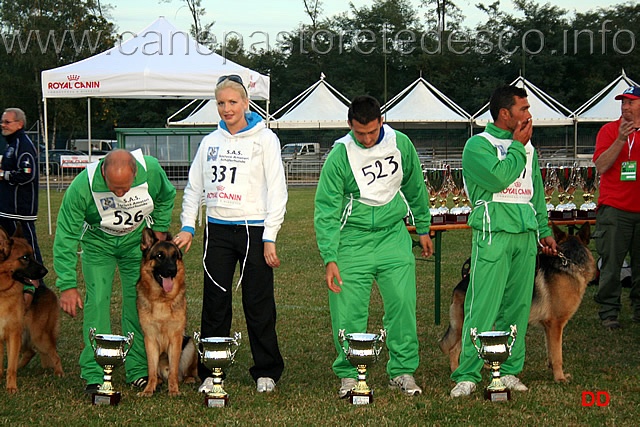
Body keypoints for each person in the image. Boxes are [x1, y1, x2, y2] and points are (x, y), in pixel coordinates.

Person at [173, 74, 287, 393]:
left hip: (254, 230)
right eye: (221, 103)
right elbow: (194, 187)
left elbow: (278, 191)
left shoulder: (265, 140)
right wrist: (187, 226)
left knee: (258, 303)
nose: (226, 109)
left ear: (246, 103)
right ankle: (212, 372)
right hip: (217, 231)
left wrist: (270, 236)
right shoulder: (210, 142)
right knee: (215, 304)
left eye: (232, 102)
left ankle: (266, 370)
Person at [314, 95, 433, 399]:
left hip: (393, 235)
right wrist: (330, 256)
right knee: (349, 311)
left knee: (402, 305)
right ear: (349, 126)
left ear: (381, 121)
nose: (366, 139)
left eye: (371, 132)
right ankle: (350, 375)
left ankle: (402, 371)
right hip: (353, 240)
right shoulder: (339, 156)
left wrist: (422, 228)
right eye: (359, 133)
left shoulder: (400, 144)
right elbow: (326, 209)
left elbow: (415, 186)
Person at [449, 85, 557, 398]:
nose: (528, 115)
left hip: (524, 233)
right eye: (523, 109)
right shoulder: (477, 145)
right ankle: (467, 373)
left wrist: (544, 228)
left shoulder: (528, 147)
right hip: (493, 232)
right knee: (482, 304)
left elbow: (534, 189)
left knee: (518, 306)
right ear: (504, 113)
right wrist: (517, 147)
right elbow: (499, 178)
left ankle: (508, 370)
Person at [54, 149, 176, 394]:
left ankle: (139, 370)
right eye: (114, 188)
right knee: (97, 303)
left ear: (136, 173)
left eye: (126, 188)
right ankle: (95, 372)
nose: (120, 194)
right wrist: (66, 284)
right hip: (99, 246)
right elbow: (66, 235)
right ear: (102, 172)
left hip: (135, 246)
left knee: (139, 304)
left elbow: (166, 195)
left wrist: (160, 230)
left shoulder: (150, 170)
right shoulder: (81, 187)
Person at [592, 85, 640, 329]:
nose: (625, 107)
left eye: (630, 102)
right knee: (611, 264)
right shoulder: (609, 130)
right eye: (623, 103)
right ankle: (609, 312)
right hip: (615, 209)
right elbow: (601, 166)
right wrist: (621, 139)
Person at [0, 107, 43, 303]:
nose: (3, 125)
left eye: (7, 122)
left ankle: (38, 288)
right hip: (7, 209)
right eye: (2, 121)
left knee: (28, 249)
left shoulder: (23, 144)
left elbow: (27, 174)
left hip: (21, 211)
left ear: (19, 124)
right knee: (10, 249)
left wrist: (3, 174)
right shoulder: (11, 144)